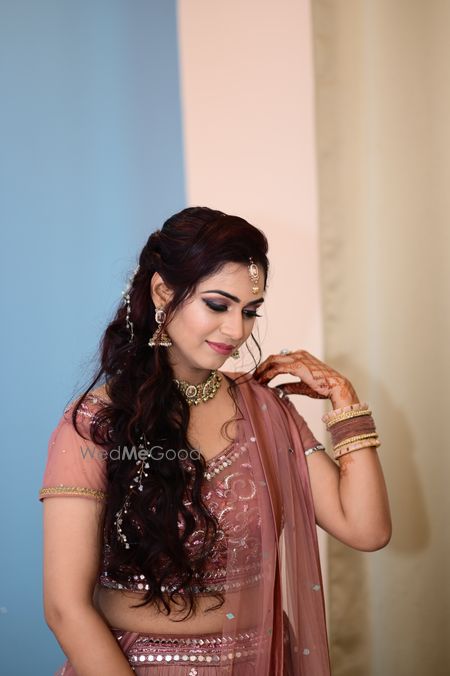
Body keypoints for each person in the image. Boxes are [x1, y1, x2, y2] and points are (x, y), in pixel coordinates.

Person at [39, 206, 391, 675]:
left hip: (265, 662)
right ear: (163, 292)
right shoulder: (96, 422)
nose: (236, 330)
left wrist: (343, 398)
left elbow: (366, 529)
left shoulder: (265, 410)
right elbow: (65, 607)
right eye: (218, 305)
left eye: (250, 312)